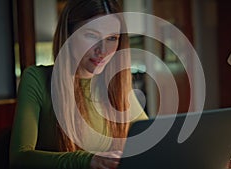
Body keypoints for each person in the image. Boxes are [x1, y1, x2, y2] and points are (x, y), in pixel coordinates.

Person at [9, 0, 148, 169]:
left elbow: (148, 141)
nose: (103, 50)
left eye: (112, 38)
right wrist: (88, 161)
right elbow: (19, 159)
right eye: (91, 35)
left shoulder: (116, 84)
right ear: (68, 35)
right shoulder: (36, 79)